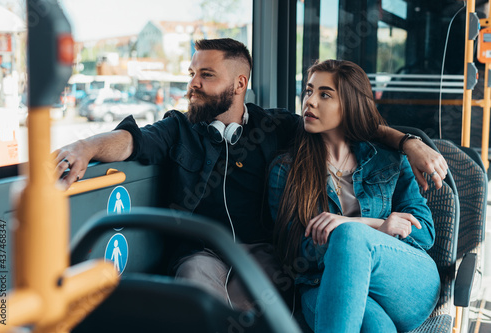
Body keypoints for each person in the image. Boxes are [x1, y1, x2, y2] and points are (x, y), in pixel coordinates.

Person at [54, 39, 446, 311]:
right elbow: (129, 141)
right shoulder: (178, 128)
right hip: (203, 252)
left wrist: (409, 142)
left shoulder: (278, 126)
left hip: (265, 252)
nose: (193, 84)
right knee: (195, 284)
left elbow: (352, 123)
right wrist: (86, 147)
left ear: (240, 84)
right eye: (192, 73)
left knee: (271, 298)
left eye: (206, 75)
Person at [268, 59, 441, 332]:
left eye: (324, 94)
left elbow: (425, 233)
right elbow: (293, 253)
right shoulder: (286, 170)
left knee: (349, 234)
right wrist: (365, 234)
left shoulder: (389, 160)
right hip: (324, 283)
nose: (310, 102)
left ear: (349, 104)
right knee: (375, 326)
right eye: (309, 91)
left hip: (404, 282)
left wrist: (365, 226)